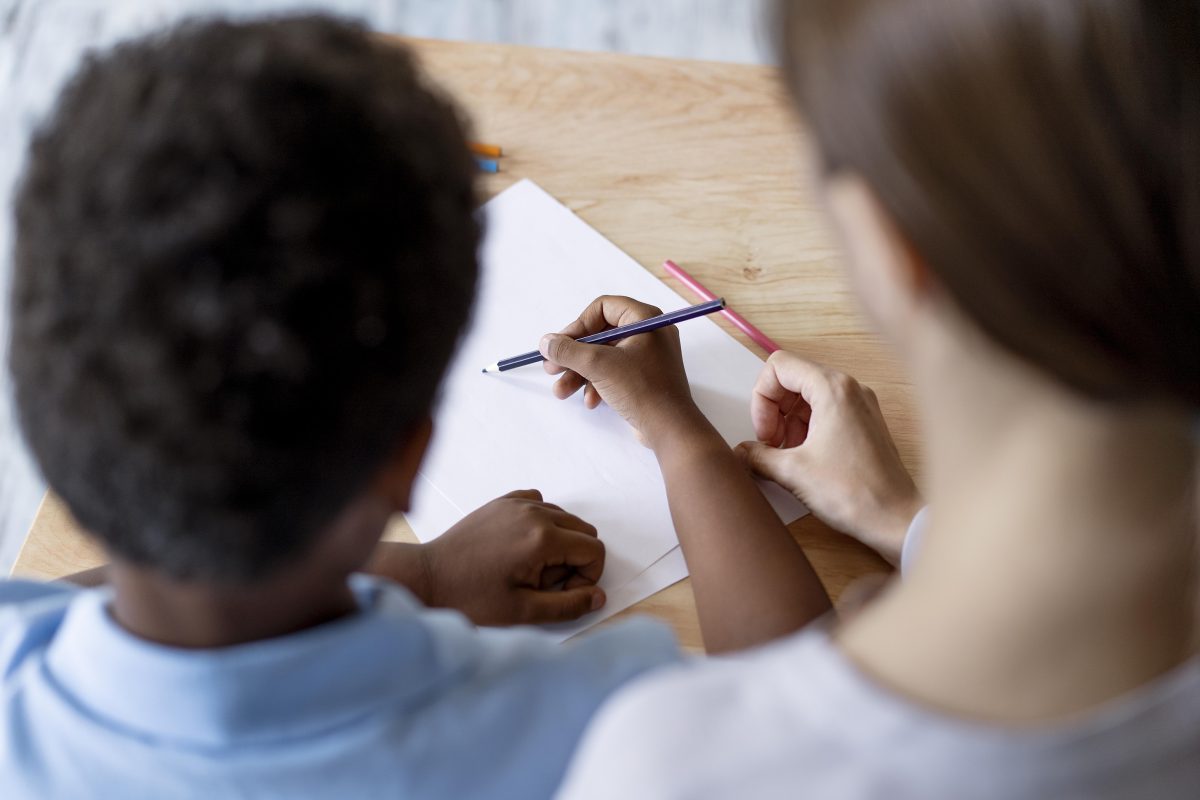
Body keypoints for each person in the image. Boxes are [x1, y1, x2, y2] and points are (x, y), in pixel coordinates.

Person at [0, 16, 682, 798]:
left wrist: (421, 577)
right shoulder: (601, 727)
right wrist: (683, 436)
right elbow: (808, 716)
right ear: (410, 455)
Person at [546, 0, 1200, 796]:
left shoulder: (672, 766)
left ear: (892, 244)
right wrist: (906, 523)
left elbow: (794, 735)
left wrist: (680, 438)